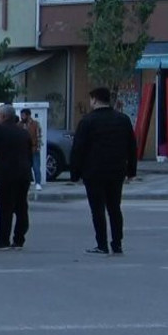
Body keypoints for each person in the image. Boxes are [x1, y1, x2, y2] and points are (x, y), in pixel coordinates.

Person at [69, 87, 137, 255]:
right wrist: (131, 171)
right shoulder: (123, 119)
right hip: (116, 171)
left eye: (91, 99)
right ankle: (117, 243)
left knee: (97, 209)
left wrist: (75, 174)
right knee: (114, 207)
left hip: (94, 172)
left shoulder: (87, 121)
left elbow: (78, 149)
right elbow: (132, 146)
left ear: (94, 100)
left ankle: (102, 244)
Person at [0, 104, 32, 250]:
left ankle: (3, 239)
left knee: (5, 209)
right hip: (23, 174)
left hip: (6, 175)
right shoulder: (23, 132)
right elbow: (29, 154)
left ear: (3, 117)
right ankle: (19, 239)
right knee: (21, 207)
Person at [18, 108, 43, 190]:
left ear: (28, 115)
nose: (22, 117)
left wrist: (38, 147)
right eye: (21, 115)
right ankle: (27, 181)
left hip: (33, 148)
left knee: (36, 166)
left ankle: (38, 183)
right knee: (25, 167)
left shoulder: (35, 124)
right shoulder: (19, 125)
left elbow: (38, 136)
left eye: (23, 115)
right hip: (23, 150)